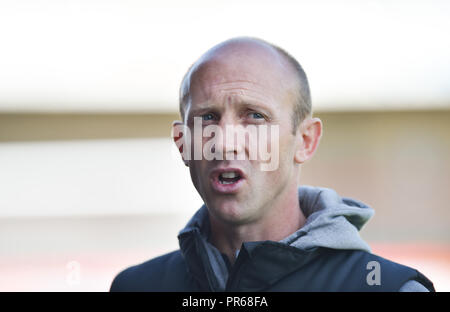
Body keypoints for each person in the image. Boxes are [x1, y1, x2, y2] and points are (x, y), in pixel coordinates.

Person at [110, 37, 434, 292]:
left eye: (255, 116)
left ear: (305, 141)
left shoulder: (386, 288)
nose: (225, 141)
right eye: (207, 117)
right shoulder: (136, 287)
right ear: (183, 144)